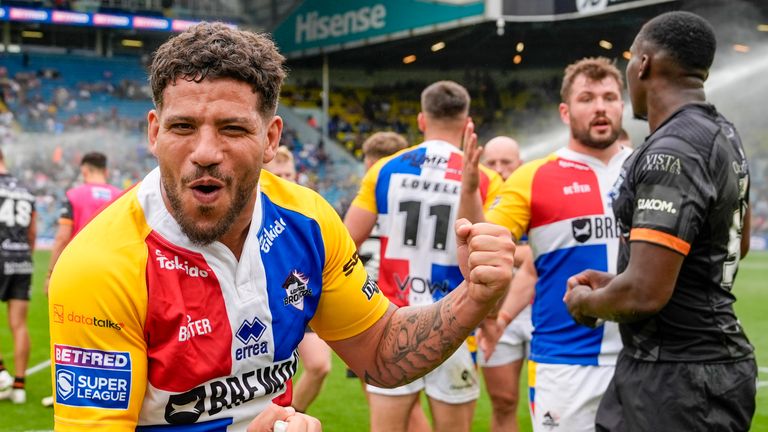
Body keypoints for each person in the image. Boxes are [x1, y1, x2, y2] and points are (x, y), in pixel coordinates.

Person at [48, 23, 515, 431]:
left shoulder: (307, 221)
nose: (206, 151)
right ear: (154, 133)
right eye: (183, 127)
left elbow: (381, 351)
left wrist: (474, 295)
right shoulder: (99, 266)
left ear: (271, 139)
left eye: (232, 129)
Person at [563, 11, 756, 431]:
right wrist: (617, 281)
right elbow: (732, 245)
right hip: (688, 370)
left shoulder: (673, 151)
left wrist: (586, 304)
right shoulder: (722, 133)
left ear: (644, 64)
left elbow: (645, 294)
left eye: (630, 59)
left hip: (679, 379)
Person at [459, 57, 630, 432]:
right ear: (565, 112)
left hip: (642, 358)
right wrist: (470, 191)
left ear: (622, 105)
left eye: (609, 96)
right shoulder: (533, 177)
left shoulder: (648, 169)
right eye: (587, 98)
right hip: (565, 363)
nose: (600, 106)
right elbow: (480, 246)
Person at [344, 81, 504, 432]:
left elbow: (346, 242)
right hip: (455, 322)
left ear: (420, 120)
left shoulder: (384, 169)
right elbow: (488, 259)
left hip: (393, 320)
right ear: (467, 124)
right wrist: (491, 318)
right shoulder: (487, 178)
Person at [355, 131, 431, 432]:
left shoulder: (383, 204)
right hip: (374, 307)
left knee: (390, 401)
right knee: (403, 403)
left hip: (381, 311)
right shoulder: (374, 199)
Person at [40, 151, 123, 408]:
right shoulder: (120, 196)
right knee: (108, 337)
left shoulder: (75, 195)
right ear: (106, 170)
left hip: (79, 273)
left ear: (85, 170)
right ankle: (108, 393)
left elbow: (62, 237)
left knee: (71, 335)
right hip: (114, 274)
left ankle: (65, 394)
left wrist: (51, 273)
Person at [263, 145, 333, 415]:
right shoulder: (256, 210)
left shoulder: (306, 208)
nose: (285, 179)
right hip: (264, 301)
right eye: (278, 174)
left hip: (298, 291)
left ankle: (289, 415)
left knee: (319, 366)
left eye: (289, 174)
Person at [476, 135, 533, 432]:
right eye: (491, 163)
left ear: (520, 164)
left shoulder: (537, 191)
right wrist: (525, 253)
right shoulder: (479, 204)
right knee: (503, 400)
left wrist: (519, 253)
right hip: (494, 312)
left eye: (506, 162)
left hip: (539, 309)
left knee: (550, 401)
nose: (499, 169)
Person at [0, 148, 36, 405]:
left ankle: (1, 373)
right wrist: (26, 255)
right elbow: (32, 231)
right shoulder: (25, 189)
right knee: (19, 324)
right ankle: (19, 387)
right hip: (22, 259)